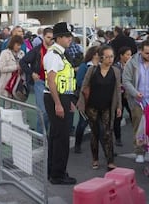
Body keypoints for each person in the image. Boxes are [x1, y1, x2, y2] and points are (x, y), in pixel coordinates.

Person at [77, 45, 122, 171]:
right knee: (95, 133)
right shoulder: (92, 69)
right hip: (92, 106)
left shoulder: (116, 71)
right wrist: (81, 103)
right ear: (101, 57)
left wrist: (119, 106)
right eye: (107, 57)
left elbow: (118, 90)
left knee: (107, 132)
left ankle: (110, 160)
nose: (110, 59)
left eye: (112, 56)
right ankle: (95, 159)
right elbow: (84, 86)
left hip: (107, 106)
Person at [43, 22, 77, 185]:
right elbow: (51, 81)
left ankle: (54, 171)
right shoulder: (54, 55)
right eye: (67, 36)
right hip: (55, 97)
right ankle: (58, 174)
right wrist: (58, 103)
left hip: (61, 97)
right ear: (59, 37)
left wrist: (67, 101)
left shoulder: (60, 54)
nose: (70, 39)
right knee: (61, 138)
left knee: (57, 136)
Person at [19, 27, 54, 133]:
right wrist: (32, 73)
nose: (50, 40)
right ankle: (41, 136)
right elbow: (23, 62)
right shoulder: (37, 50)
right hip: (40, 82)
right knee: (43, 111)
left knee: (51, 111)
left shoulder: (56, 51)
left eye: (52, 38)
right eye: (48, 37)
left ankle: (47, 135)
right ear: (43, 37)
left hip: (53, 82)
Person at [73, 46, 100, 153]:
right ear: (94, 55)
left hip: (98, 99)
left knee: (100, 125)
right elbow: (79, 82)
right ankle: (77, 144)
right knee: (83, 123)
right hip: (86, 99)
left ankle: (107, 149)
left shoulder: (101, 66)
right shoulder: (85, 66)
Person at [112, 46, 133, 147]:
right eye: (127, 54)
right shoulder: (116, 66)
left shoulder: (133, 66)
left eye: (130, 54)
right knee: (118, 117)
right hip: (119, 94)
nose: (129, 57)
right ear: (121, 56)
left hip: (130, 94)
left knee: (134, 115)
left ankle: (138, 137)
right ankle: (118, 138)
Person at [0, 35, 25, 101]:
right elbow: (2, 68)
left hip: (18, 83)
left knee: (20, 105)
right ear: (13, 44)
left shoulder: (22, 53)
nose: (19, 47)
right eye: (17, 45)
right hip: (7, 82)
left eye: (20, 45)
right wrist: (16, 67)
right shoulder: (4, 53)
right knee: (7, 105)